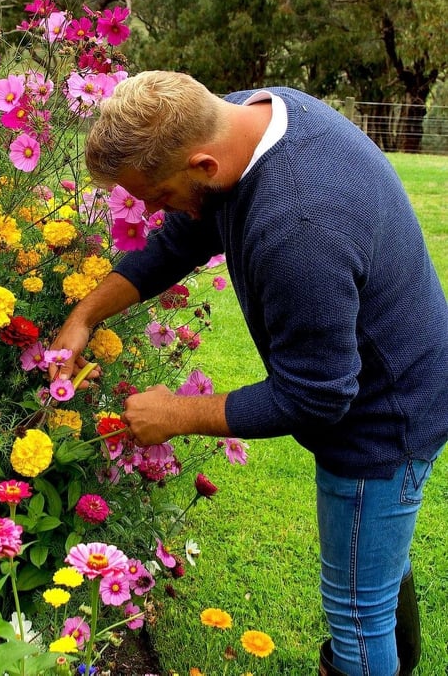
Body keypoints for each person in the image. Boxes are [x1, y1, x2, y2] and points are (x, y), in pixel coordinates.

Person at [48, 70, 448, 676]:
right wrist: (85, 316)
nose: (154, 212)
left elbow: (316, 397)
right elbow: (180, 241)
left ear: (204, 165)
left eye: (155, 196)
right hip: (393, 376)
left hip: (385, 418)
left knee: (357, 614)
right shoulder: (248, 117)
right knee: (377, 560)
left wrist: (176, 414)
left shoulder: (297, 225)